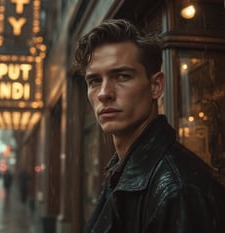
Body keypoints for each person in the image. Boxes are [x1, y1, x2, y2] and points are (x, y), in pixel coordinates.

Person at [74, 19, 225, 233]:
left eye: (122, 76)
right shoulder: (122, 171)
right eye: (94, 81)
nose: (104, 93)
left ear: (156, 86)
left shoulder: (179, 190)